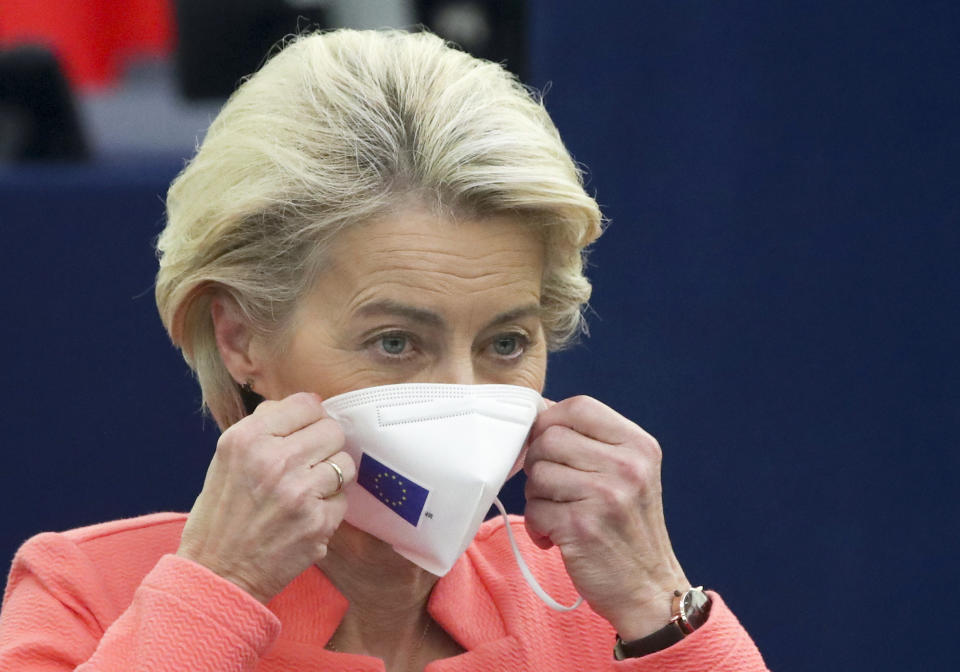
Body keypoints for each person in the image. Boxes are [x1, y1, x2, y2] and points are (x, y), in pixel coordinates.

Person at [0, 29, 768, 671]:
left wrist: (659, 604)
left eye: (506, 341)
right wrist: (216, 589)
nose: (461, 390)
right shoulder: (90, 595)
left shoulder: (595, 604)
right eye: (396, 342)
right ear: (240, 338)